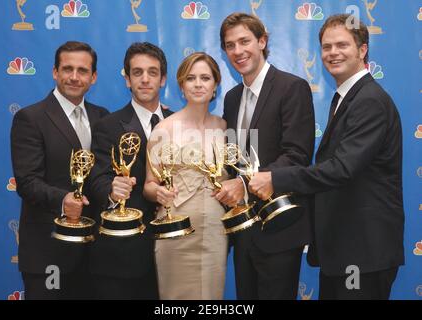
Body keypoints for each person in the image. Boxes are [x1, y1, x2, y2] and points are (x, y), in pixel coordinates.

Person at [249, 14, 405, 300]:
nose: (332, 53)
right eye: (326, 46)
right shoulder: (348, 97)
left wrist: (276, 178)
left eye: (342, 45)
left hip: (362, 252)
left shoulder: (369, 100)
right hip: (344, 250)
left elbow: (342, 169)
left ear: (362, 49)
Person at [218, 12, 315, 299]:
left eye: (244, 41)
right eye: (230, 45)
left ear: (262, 41)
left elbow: (297, 154)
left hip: (280, 227)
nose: (237, 51)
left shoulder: (292, 87)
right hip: (244, 229)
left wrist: (244, 184)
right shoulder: (232, 98)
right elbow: (233, 156)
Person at [10, 41, 109, 299]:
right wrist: (63, 201)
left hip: (95, 255)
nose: (74, 77)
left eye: (82, 70)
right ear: (55, 72)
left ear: (94, 77)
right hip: (48, 253)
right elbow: (27, 181)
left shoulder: (102, 117)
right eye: (67, 69)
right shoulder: (30, 118)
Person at [89, 42, 172, 299]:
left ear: (163, 79)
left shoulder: (180, 123)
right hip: (124, 255)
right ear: (127, 79)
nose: (145, 79)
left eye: (152, 72)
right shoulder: (108, 125)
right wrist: (112, 191)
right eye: (137, 73)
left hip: (173, 252)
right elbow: (96, 179)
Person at [143, 52, 228, 300]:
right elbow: (149, 184)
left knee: (212, 296)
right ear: (181, 86)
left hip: (215, 228)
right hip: (176, 227)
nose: (198, 84)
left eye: (205, 78)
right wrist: (156, 191)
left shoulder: (223, 127)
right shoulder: (164, 129)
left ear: (215, 85)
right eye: (191, 78)